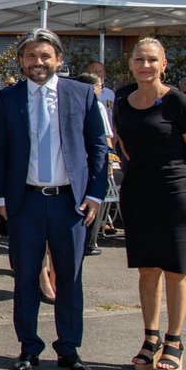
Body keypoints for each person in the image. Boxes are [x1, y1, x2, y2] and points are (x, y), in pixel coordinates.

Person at [0, 29, 108, 370]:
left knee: (69, 278)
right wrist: (0, 197)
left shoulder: (82, 93)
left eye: (45, 56)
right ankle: (28, 347)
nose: (38, 62)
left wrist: (94, 194)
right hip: (24, 201)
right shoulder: (8, 97)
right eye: (30, 56)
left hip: (69, 203)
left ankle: (69, 349)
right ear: (22, 62)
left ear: (58, 59)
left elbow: (98, 146)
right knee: (25, 277)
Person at [114, 37, 186, 370]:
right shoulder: (122, 100)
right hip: (138, 192)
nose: (146, 65)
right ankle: (150, 339)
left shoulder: (180, 102)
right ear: (131, 64)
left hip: (176, 192)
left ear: (164, 64)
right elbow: (123, 145)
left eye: (152, 59)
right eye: (139, 59)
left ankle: (174, 341)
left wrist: (180, 184)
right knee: (147, 268)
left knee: (175, 268)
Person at [76, 71, 116, 256]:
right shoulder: (96, 105)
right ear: (92, 88)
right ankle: (89, 244)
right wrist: (108, 164)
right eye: (100, 86)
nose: (102, 89)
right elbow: (105, 139)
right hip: (91, 164)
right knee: (92, 203)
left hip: (79, 165)